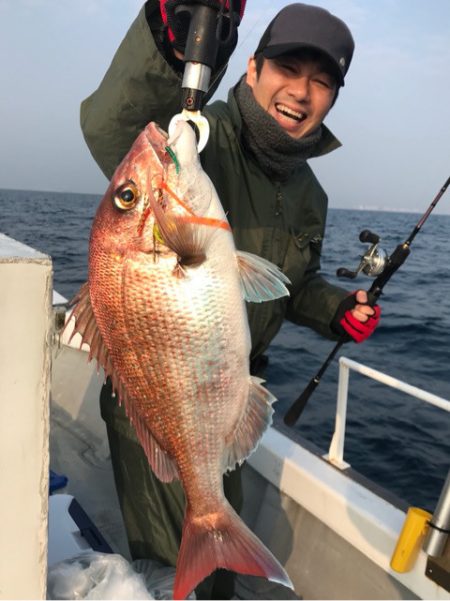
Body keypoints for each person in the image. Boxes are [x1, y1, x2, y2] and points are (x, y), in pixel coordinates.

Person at [80, 2, 381, 598]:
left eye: (322, 81)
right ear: (250, 68)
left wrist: (334, 309)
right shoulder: (194, 138)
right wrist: (169, 51)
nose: (301, 91)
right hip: (159, 404)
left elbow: (290, 283)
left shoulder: (308, 193)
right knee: (173, 575)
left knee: (213, 559)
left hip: (222, 395)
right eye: (287, 69)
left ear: (332, 98)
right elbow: (115, 129)